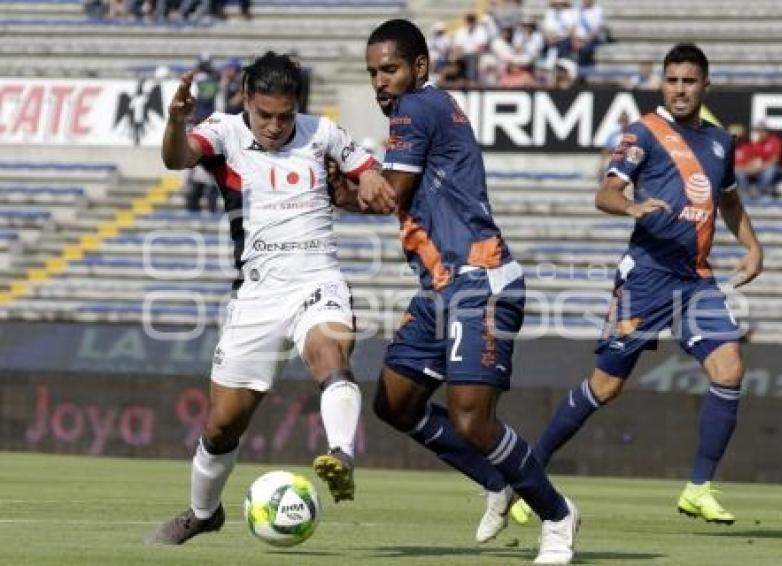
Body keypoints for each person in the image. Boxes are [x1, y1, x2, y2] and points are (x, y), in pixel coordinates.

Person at [146, 51, 396, 545]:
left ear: (297, 107)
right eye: (265, 116)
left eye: (285, 116)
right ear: (246, 101)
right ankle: (203, 513)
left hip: (317, 279)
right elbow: (177, 158)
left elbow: (369, 172)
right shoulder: (222, 132)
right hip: (257, 295)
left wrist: (369, 174)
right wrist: (176, 123)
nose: (277, 126)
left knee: (331, 352)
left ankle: (341, 454)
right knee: (221, 427)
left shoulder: (321, 132)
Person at [512, 43, 764, 527]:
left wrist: (753, 246)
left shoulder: (718, 142)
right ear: (662, 84)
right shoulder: (643, 133)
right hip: (646, 277)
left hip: (695, 279)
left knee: (729, 368)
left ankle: (698, 489)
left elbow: (728, 201)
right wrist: (629, 206)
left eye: (689, 81)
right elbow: (605, 191)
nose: (680, 89)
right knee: (605, 387)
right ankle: (529, 475)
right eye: (672, 81)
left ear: (705, 85)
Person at [365, 19, 578, 565]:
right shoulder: (433, 107)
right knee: (394, 402)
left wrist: (324, 172)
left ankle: (557, 516)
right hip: (441, 286)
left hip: (479, 281)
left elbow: (391, 193)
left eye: (389, 69)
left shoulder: (416, 109)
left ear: (420, 67)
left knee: (471, 419)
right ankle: (494, 480)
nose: (380, 82)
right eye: (372, 72)